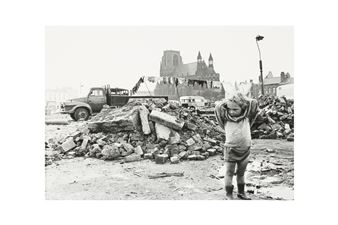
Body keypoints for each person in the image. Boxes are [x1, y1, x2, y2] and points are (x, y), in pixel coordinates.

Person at [215, 93, 259, 200]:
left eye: (235, 109)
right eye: (229, 109)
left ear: (243, 108)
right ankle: (229, 194)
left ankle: (241, 192)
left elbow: (253, 103)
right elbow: (218, 106)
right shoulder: (225, 118)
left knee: (241, 173)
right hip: (231, 149)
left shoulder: (247, 117)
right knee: (229, 172)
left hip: (245, 149)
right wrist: (229, 101)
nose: (232, 111)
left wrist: (240, 99)